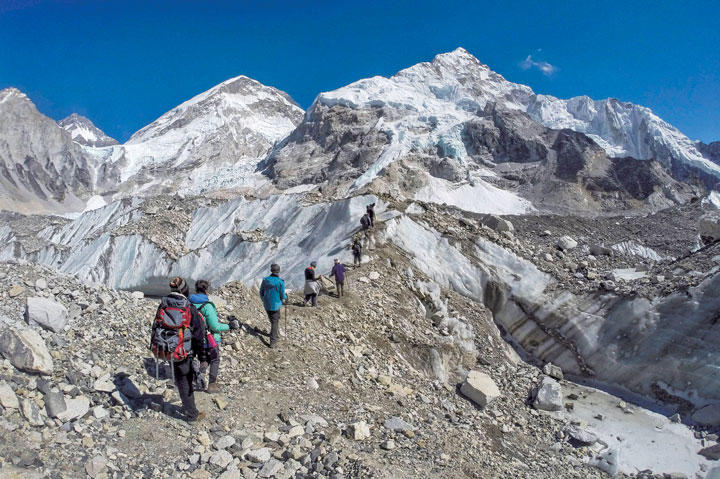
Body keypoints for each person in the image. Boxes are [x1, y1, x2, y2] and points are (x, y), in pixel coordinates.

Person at [151, 277, 208, 422]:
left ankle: (187, 405)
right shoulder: (189, 307)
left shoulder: (163, 304)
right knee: (185, 381)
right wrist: (202, 357)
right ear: (185, 290)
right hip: (184, 350)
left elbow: (155, 326)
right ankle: (191, 414)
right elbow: (199, 334)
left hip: (166, 348)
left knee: (180, 378)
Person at [189, 280, 239, 394]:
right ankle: (211, 385)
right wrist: (229, 326)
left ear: (196, 290)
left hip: (194, 339)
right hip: (209, 339)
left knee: (202, 359)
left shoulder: (189, 303)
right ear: (207, 291)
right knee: (214, 360)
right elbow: (215, 326)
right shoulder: (207, 306)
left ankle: (197, 379)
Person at [259, 264, 287, 348]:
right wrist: (286, 297)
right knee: (275, 322)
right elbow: (282, 295)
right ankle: (273, 341)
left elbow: (261, 292)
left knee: (272, 320)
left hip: (267, 304)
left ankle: (274, 334)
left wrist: (264, 299)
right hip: (276, 305)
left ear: (271, 270)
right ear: (278, 271)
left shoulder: (265, 280)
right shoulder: (280, 282)